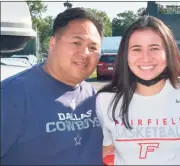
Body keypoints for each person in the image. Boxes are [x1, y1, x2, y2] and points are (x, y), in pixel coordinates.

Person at [96, 16, 180, 165]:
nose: (146, 58)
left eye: (154, 48)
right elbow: (104, 151)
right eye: (136, 49)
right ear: (125, 54)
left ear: (168, 52)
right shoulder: (106, 99)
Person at [1, 8, 104, 165]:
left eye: (93, 47)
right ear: (53, 43)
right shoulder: (12, 95)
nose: (85, 53)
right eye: (76, 43)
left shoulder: (94, 96)